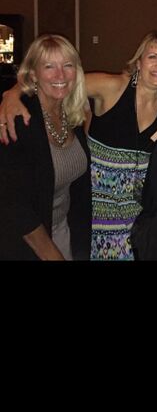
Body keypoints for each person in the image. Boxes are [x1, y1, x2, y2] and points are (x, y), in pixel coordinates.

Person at [0, 31, 157, 261]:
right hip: (92, 205)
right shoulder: (111, 86)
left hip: (133, 209)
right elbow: (61, 83)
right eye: (152, 57)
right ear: (138, 62)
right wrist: (12, 94)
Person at [0, 34, 91, 260]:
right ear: (33, 74)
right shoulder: (18, 120)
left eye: (67, 65)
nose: (60, 75)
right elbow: (13, 204)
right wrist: (52, 255)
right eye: (49, 66)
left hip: (61, 230)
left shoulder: (72, 113)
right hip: (24, 241)